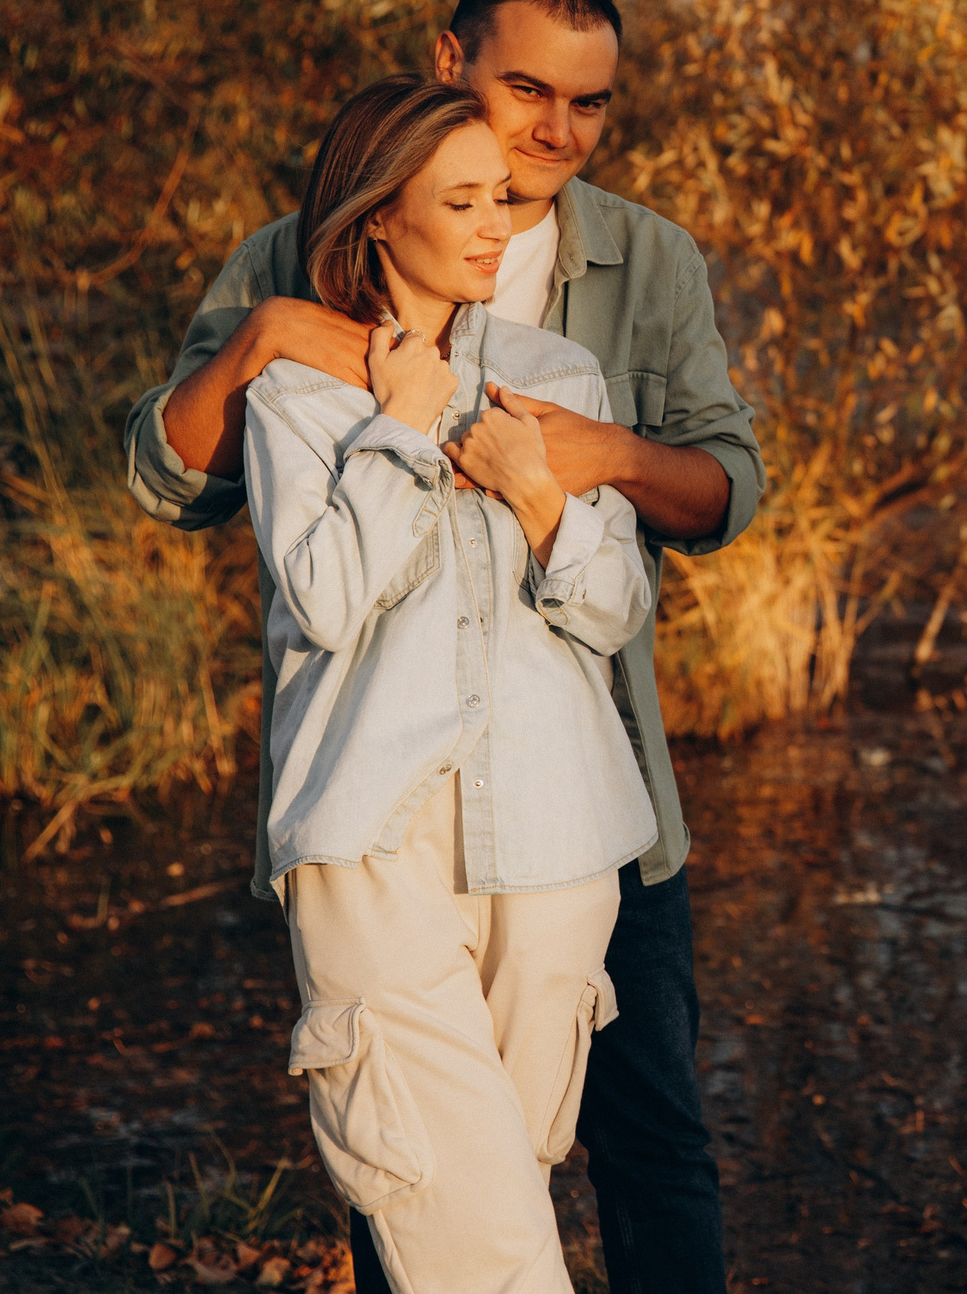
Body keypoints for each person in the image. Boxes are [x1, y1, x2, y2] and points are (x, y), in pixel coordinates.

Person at [126, 0, 759, 1293]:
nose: (557, 132)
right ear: (447, 60)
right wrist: (266, 348)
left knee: (645, 1131)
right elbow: (171, 477)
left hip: (591, 782)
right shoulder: (285, 262)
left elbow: (717, 493)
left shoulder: (641, 267)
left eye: (590, 104)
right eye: (528, 87)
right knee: (413, 1168)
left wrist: (594, 457)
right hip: (386, 788)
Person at [248, 73, 654, 1293]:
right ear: (379, 215)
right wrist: (401, 426)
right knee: (476, 1243)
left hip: (556, 844)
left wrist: (539, 494)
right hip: (371, 845)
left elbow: (617, 608)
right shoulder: (303, 394)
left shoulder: (562, 377)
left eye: (504, 200)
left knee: (496, 1216)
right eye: (462, 199)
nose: (496, 224)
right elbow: (323, 596)